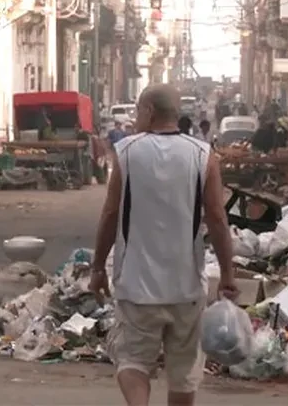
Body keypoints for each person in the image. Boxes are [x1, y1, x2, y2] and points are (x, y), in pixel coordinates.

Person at [91, 85, 237, 406]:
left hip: (136, 287)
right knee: (183, 374)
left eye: (138, 111)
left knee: (132, 361)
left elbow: (111, 213)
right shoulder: (203, 155)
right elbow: (216, 216)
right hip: (186, 287)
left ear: (149, 111)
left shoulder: (127, 152)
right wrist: (227, 273)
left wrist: (98, 267)